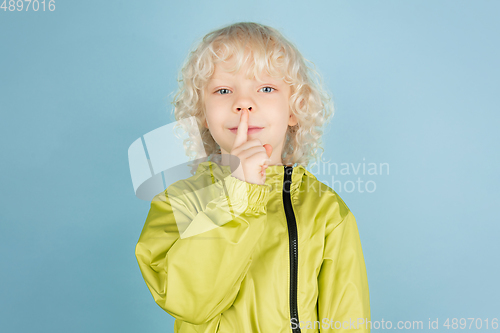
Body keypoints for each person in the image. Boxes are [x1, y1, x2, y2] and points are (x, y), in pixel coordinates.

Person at [135, 22, 371, 333]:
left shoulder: (327, 211)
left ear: (294, 109)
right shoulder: (177, 203)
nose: (244, 103)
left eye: (266, 88)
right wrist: (239, 192)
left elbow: (347, 320)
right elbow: (188, 301)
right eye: (223, 90)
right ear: (202, 113)